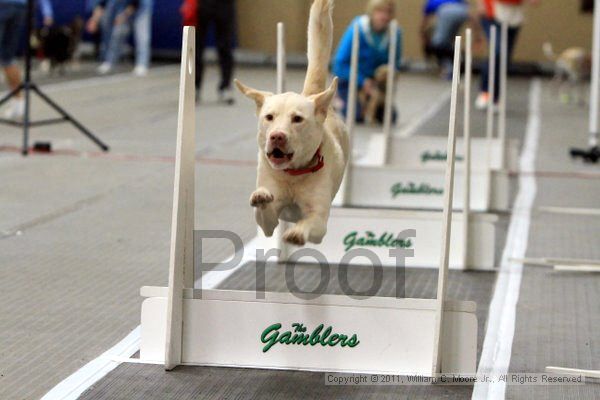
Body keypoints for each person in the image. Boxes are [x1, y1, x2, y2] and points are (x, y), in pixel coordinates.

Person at [332, 0, 402, 122]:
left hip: (376, 84)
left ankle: (371, 105)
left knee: (390, 117)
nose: (384, 16)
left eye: (388, 12)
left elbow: (395, 63)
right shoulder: (357, 28)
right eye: (380, 11)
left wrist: (386, 77)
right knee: (356, 115)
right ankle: (339, 101)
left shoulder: (395, 32)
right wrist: (362, 81)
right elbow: (339, 64)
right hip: (351, 81)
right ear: (371, 12)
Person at [475, 0, 539, 109]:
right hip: (492, 13)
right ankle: (485, 92)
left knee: (505, 57)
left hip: (513, 15)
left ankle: (496, 97)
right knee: (497, 51)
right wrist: (480, 3)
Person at [0, 0, 53, 120]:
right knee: (7, 58)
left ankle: (18, 104)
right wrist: (47, 11)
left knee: (6, 58)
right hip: (21, 6)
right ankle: (19, 105)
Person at [87, 0, 151, 76]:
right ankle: (110, 62)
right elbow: (102, 4)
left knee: (142, 37)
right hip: (123, 7)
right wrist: (94, 20)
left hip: (141, 7)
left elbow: (136, 4)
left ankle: (141, 64)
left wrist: (124, 15)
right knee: (117, 34)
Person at [195, 0, 236, 104]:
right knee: (196, 46)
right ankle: (195, 86)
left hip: (224, 5)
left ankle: (225, 86)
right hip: (202, 4)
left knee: (225, 46)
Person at [420, 0, 473, 79]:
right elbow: (468, 7)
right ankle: (456, 62)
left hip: (446, 11)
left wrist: (421, 33)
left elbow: (424, 21)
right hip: (463, 11)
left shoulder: (430, 3)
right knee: (448, 41)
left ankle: (451, 66)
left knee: (437, 43)